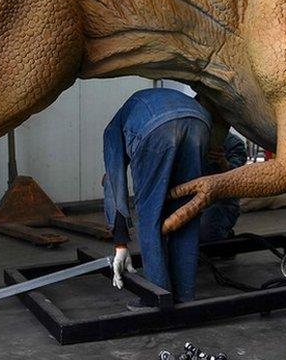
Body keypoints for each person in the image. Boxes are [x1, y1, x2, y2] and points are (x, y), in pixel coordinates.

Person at [103, 88, 210, 304]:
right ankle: (185, 296)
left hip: (156, 128)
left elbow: (114, 181)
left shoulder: (112, 130)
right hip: (200, 122)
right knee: (187, 211)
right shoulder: (140, 104)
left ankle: (157, 299)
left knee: (150, 215)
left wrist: (120, 243)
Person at [199, 132, 247, 242]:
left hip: (220, 202)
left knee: (205, 232)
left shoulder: (233, 143)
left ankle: (224, 233)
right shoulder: (192, 138)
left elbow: (237, 178)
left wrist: (223, 162)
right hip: (191, 198)